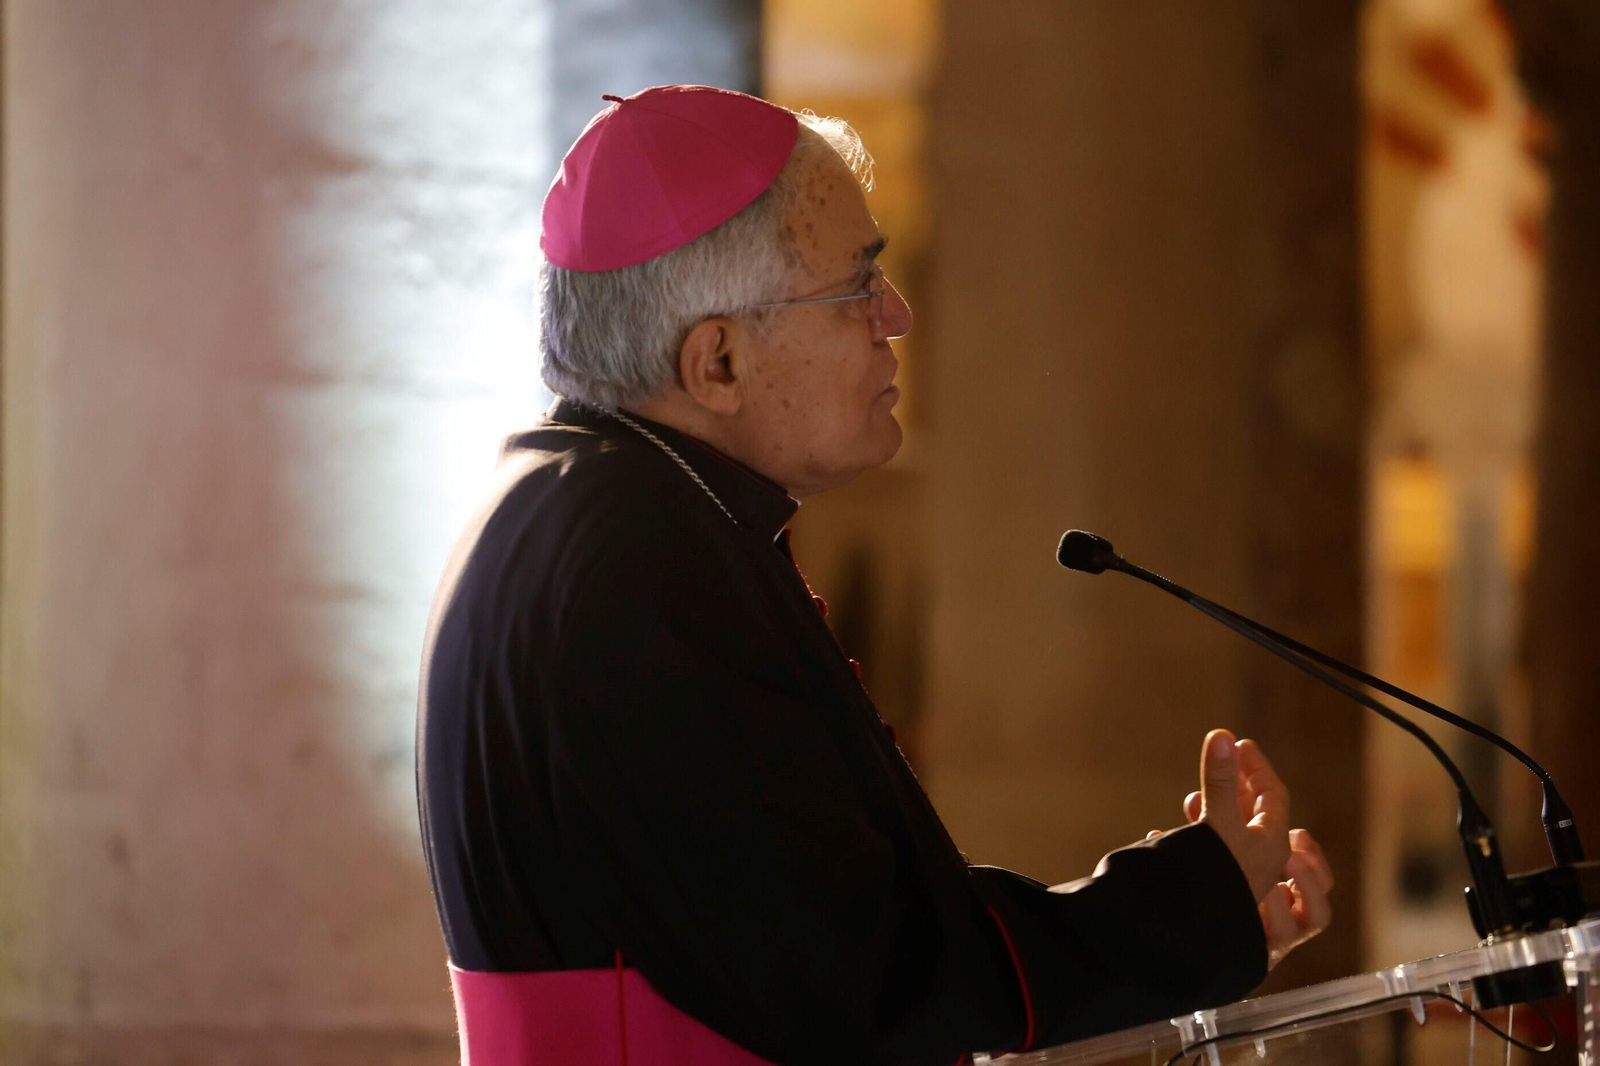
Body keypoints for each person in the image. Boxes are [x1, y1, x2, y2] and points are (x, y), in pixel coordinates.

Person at [416, 84, 1334, 1066]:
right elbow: (861, 977)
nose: (895, 316)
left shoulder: (579, 508)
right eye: (857, 287)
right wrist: (1191, 909)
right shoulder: (641, 557)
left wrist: (1204, 915)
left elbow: (815, 926)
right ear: (717, 359)